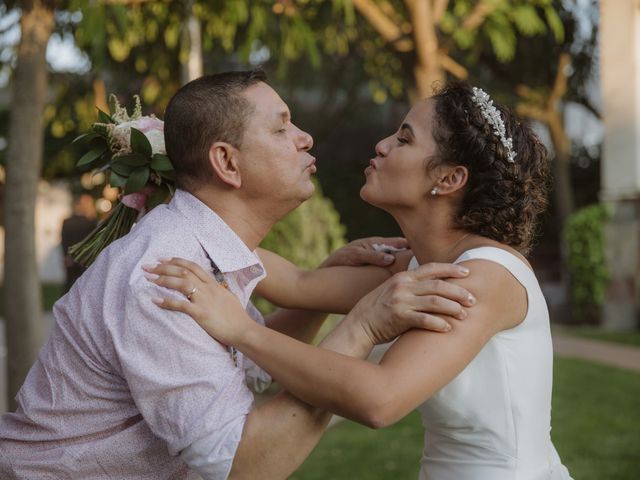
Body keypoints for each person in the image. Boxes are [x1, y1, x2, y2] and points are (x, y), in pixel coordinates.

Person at [0, 71, 474, 480]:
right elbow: (241, 465)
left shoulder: (201, 250)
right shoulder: (165, 276)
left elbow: (245, 367)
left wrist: (315, 296)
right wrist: (362, 326)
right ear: (227, 163)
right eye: (281, 127)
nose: (305, 138)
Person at [148, 81, 573, 479]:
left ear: (449, 178)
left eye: (404, 139)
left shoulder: (484, 277)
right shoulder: (410, 266)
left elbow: (380, 400)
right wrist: (188, 203)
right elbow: (297, 285)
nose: (382, 145)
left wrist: (241, 329)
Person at [61, 192, 97, 292]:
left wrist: (65, 256)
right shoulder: (91, 222)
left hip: (73, 257)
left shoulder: (67, 221)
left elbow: (64, 241)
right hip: (85, 258)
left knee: (70, 284)